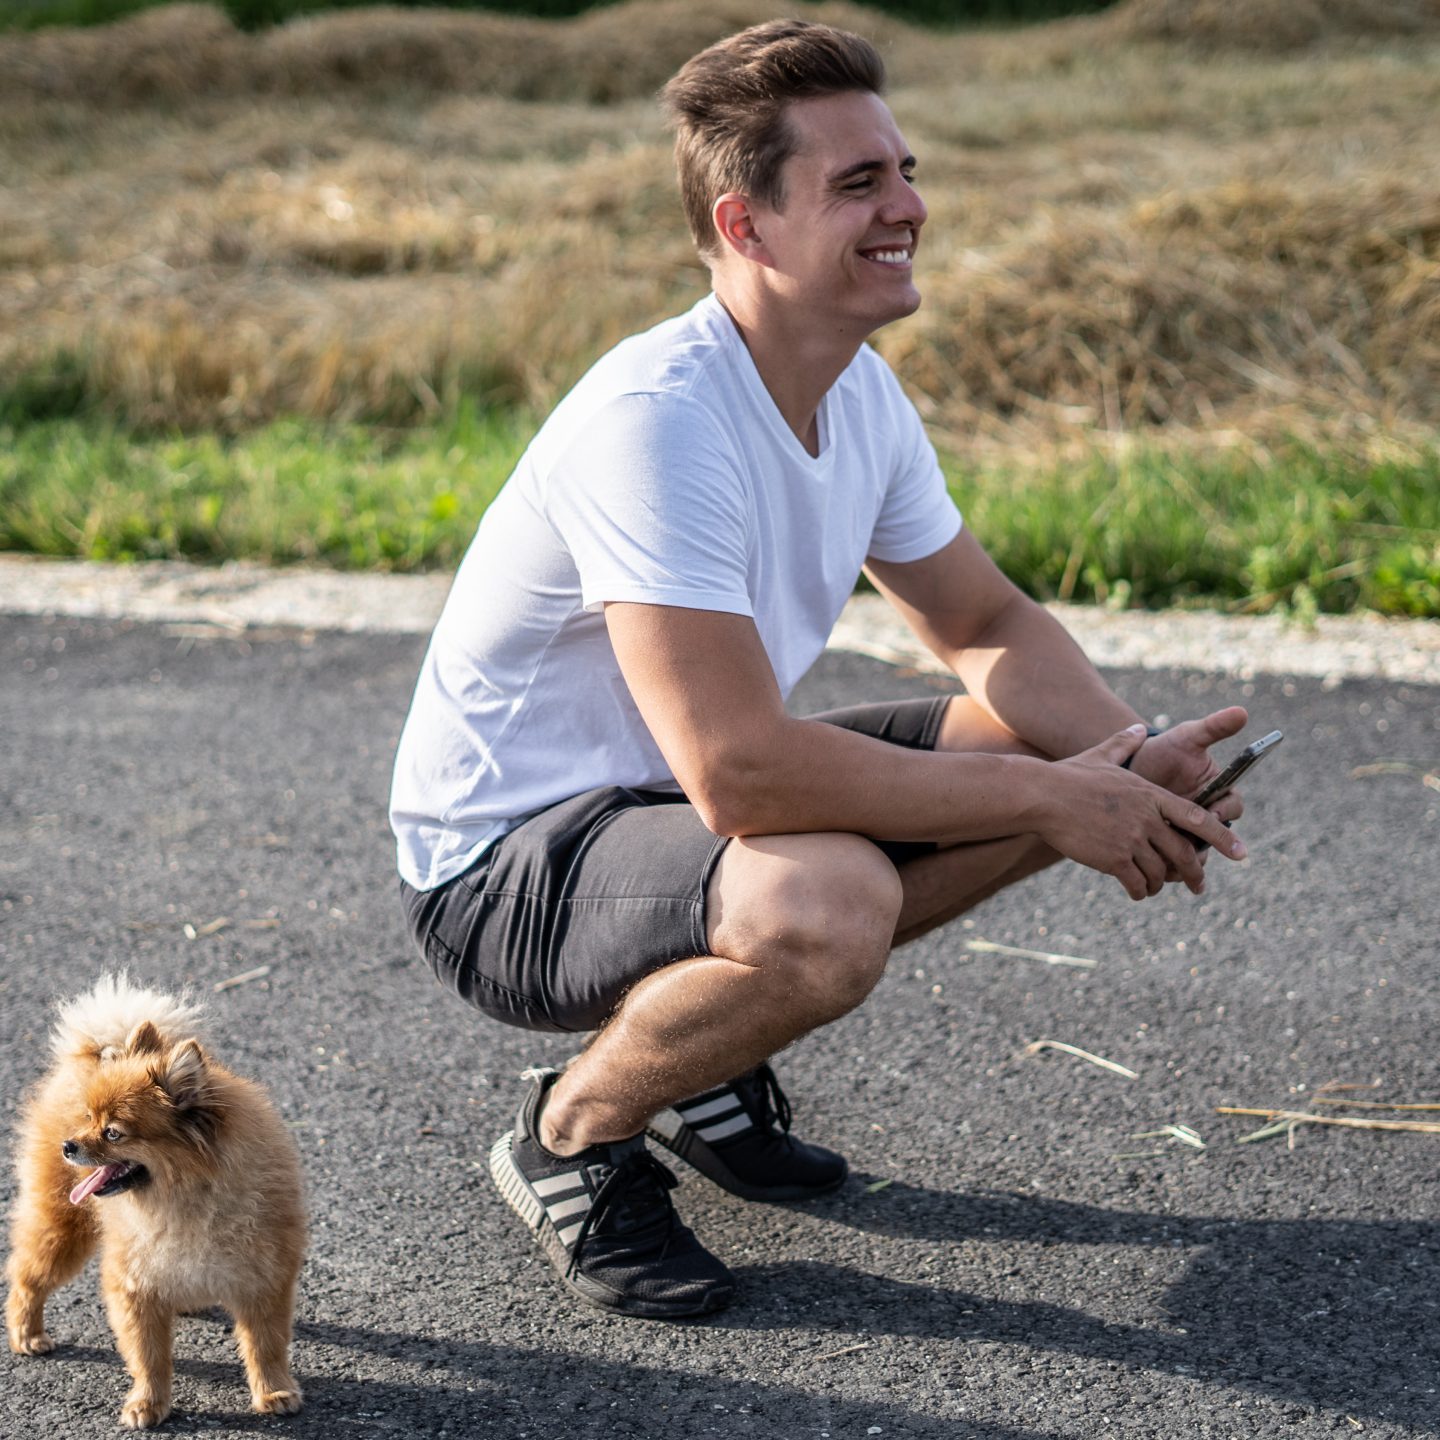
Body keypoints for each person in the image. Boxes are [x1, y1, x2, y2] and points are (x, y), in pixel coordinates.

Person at [389, 19, 1250, 1321]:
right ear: (745, 225)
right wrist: (1057, 800)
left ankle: (698, 1057)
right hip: (503, 869)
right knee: (829, 904)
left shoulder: (859, 393)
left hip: (663, 820)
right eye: (859, 184)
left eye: (905, 172)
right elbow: (740, 773)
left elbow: (983, 619)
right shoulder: (657, 423)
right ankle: (573, 1133)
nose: (909, 207)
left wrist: (1130, 762)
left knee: (1043, 749)